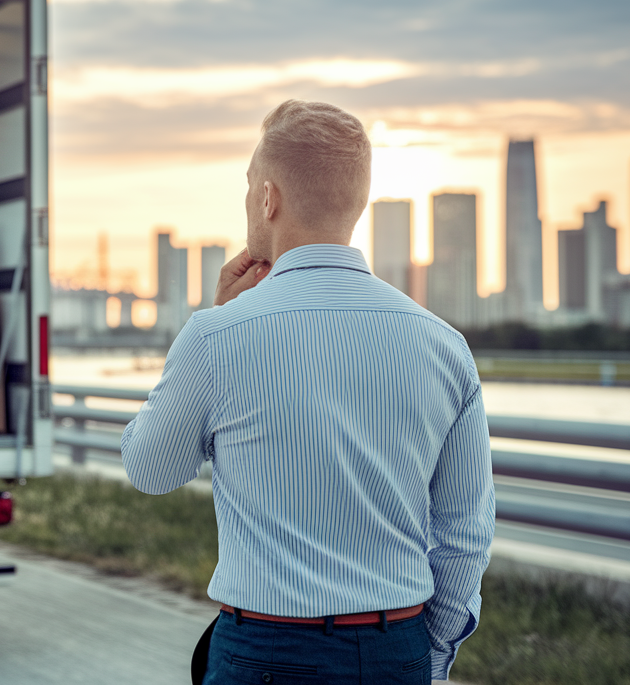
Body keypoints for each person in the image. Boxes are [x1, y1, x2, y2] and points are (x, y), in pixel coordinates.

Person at [120, 100, 494, 684]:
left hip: (263, 653)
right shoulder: (443, 346)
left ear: (269, 197)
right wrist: (430, 656)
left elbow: (150, 468)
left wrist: (215, 319)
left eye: (248, 187)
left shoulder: (218, 336)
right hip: (396, 648)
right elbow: (465, 534)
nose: (248, 202)